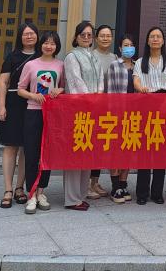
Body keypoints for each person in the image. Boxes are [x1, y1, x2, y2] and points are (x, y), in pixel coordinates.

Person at [16, 30, 64, 214]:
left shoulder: (60, 65)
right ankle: (31, 194)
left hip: (52, 114)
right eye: (46, 42)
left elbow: (63, 86)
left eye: (52, 43)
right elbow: (20, 89)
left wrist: (60, 90)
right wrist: (33, 95)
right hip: (33, 112)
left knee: (47, 154)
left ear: (56, 46)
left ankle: (42, 192)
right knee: (31, 153)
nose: (49, 46)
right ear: (41, 44)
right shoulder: (31, 65)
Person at [132, 26, 166, 204]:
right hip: (145, 104)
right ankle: (142, 193)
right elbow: (136, 80)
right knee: (144, 151)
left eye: (158, 36)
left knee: (160, 151)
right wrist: (140, 88)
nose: (155, 39)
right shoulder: (140, 61)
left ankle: (157, 192)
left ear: (163, 40)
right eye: (152, 36)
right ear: (148, 40)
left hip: (165, 104)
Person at [0, 22, 37, 208]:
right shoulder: (12, 56)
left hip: (33, 104)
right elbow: (3, 82)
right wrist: (1, 106)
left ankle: (20, 188)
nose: (29, 36)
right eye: (26, 34)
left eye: (32, 33)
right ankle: (8, 189)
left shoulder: (41, 56)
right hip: (13, 103)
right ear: (20, 37)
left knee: (27, 147)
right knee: (10, 146)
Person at [63, 20, 101, 211]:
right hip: (78, 110)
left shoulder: (94, 56)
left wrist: (99, 96)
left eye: (89, 35)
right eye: (82, 35)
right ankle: (72, 198)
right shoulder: (72, 56)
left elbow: (101, 79)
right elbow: (75, 81)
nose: (86, 38)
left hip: (94, 109)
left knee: (87, 152)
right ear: (76, 37)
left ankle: (81, 194)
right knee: (75, 153)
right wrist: (89, 99)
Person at [103, 33, 137, 204]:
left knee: (128, 150)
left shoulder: (138, 66)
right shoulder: (114, 65)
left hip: (134, 116)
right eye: (125, 45)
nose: (128, 48)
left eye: (131, 45)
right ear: (119, 48)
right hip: (118, 114)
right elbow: (110, 92)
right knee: (115, 151)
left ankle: (123, 184)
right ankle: (115, 187)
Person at [88, 24, 118, 200]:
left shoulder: (115, 58)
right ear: (96, 38)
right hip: (95, 107)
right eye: (102, 35)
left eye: (108, 36)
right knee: (93, 146)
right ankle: (88, 183)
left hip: (110, 109)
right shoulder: (91, 56)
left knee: (102, 147)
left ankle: (95, 181)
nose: (105, 38)